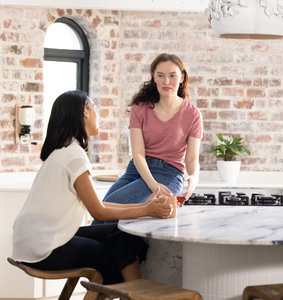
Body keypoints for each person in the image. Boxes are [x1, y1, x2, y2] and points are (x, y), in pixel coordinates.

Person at [12, 90, 174, 287]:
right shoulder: (74, 155)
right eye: (95, 108)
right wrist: (147, 210)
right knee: (112, 251)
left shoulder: (63, 151)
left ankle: (135, 294)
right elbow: (98, 212)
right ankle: (136, 293)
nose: (99, 115)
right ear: (85, 112)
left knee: (119, 235)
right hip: (45, 250)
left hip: (32, 244)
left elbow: (98, 205)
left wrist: (145, 208)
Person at [94, 53, 202, 222]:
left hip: (168, 173)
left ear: (181, 77)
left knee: (106, 213)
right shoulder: (140, 108)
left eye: (172, 76)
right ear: (154, 77)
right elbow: (138, 154)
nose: (166, 82)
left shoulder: (193, 114)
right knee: (103, 211)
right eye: (161, 75)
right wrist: (152, 185)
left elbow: (192, 158)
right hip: (137, 170)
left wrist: (194, 176)